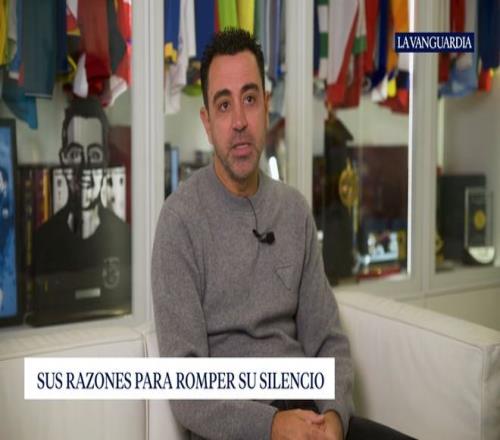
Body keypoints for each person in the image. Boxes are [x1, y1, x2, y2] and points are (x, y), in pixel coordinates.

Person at [152, 29, 415, 440]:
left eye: (250, 99)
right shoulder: (179, 220)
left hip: (310, 416)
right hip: (238, 430)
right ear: (207, 122)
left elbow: (328, 340)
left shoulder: (294, 211)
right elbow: (185, 388)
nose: (239, 121)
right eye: (224, 105)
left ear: (267, 106)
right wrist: (272, 426)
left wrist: (334, 417)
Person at [32, 97, 131, 326]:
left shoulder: (126, 238)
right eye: (76, 154)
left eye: (94, 155)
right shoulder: (42, 240)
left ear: (106, 161)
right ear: (63, 160)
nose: (85, 169)